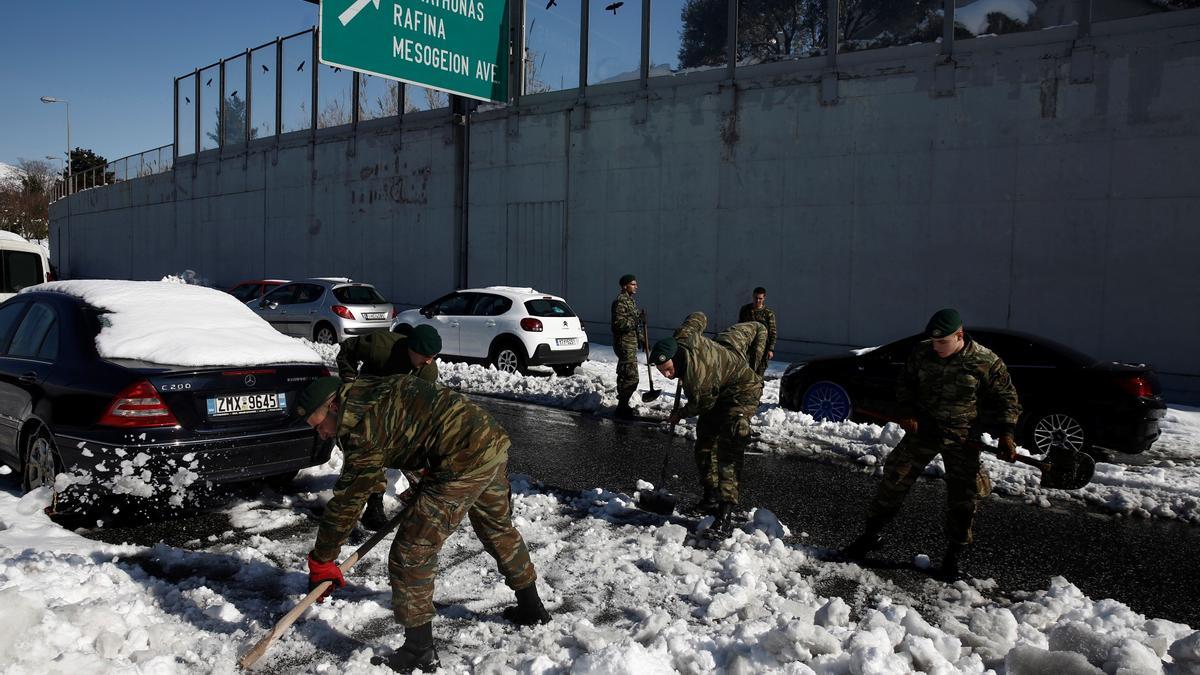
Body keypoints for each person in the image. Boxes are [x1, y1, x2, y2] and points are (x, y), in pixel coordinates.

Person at [296, 375, 550, 672]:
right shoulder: (369, 389)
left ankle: (418, 652)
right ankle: (532, 608)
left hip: (461, 459)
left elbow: (348, 501)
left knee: (411, 552)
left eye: (319, 425)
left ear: (334, 405)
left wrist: (322, 559)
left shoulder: (360, 428)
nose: (322, 435)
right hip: (486, 440)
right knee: (497, 529)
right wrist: (424, 474)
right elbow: (413, 425)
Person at [840, 308, 1021, 580]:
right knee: (895, 478)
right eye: (934, 341)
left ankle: (953, 554)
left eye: (943, 342)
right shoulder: (922, 352)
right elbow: (905, 383)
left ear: (959, 336)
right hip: (924, 429)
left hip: (962, 436)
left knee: (964, 495)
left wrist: (1007, 433)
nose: (936, 347)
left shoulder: (985, 361)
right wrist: (908, 411)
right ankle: (870, 535)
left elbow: (1007, 397)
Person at [648, 312, 764, 530]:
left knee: (728, 448)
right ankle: (710, 497)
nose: (666, 375)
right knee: (704, 443)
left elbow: (702, 405)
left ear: (678, 358)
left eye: (669, 369)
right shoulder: (682, 337)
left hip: (741, 392)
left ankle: (725, 513)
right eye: (662, 371)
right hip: (718, 387)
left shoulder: (697, 380)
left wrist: (680, 413)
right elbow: (698, 317)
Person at [335, 324, 442, 530]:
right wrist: (349, 381)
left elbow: (420, 405)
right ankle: (368, 505)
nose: (429, 361)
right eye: (425, 355)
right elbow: (347, 350)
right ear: (411, 348)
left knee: (394, 446)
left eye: (433, 356)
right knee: (365, 451)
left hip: (397, 405)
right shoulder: (379, 345)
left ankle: (417, 488)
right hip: (366, 398)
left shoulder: (427, 371)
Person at [610, 273, 643, 419]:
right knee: (630, 376)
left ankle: (623, 405)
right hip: (624, 344)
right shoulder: (620, 302)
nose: (636, 286)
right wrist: (636, 320)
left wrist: (641, 337)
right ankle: (622, 405)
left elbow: (634, 324)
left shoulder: (631, 301)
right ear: (625, 286)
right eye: (633, 284)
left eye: (636, 284)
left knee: (626, 375)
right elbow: (618, 324)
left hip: (631, 343)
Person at [738, 287, 777, 378]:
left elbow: (773, 333)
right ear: (753, 296)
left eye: (760, 298)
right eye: (756, 298)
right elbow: (739, 327)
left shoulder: (768, 313)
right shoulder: (745, 309)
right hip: (746, 347)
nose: (758, 300)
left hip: (762, 349)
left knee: (759, 375)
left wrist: (771, 349)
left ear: (764, 298)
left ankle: (758, 391)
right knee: (744, 374)